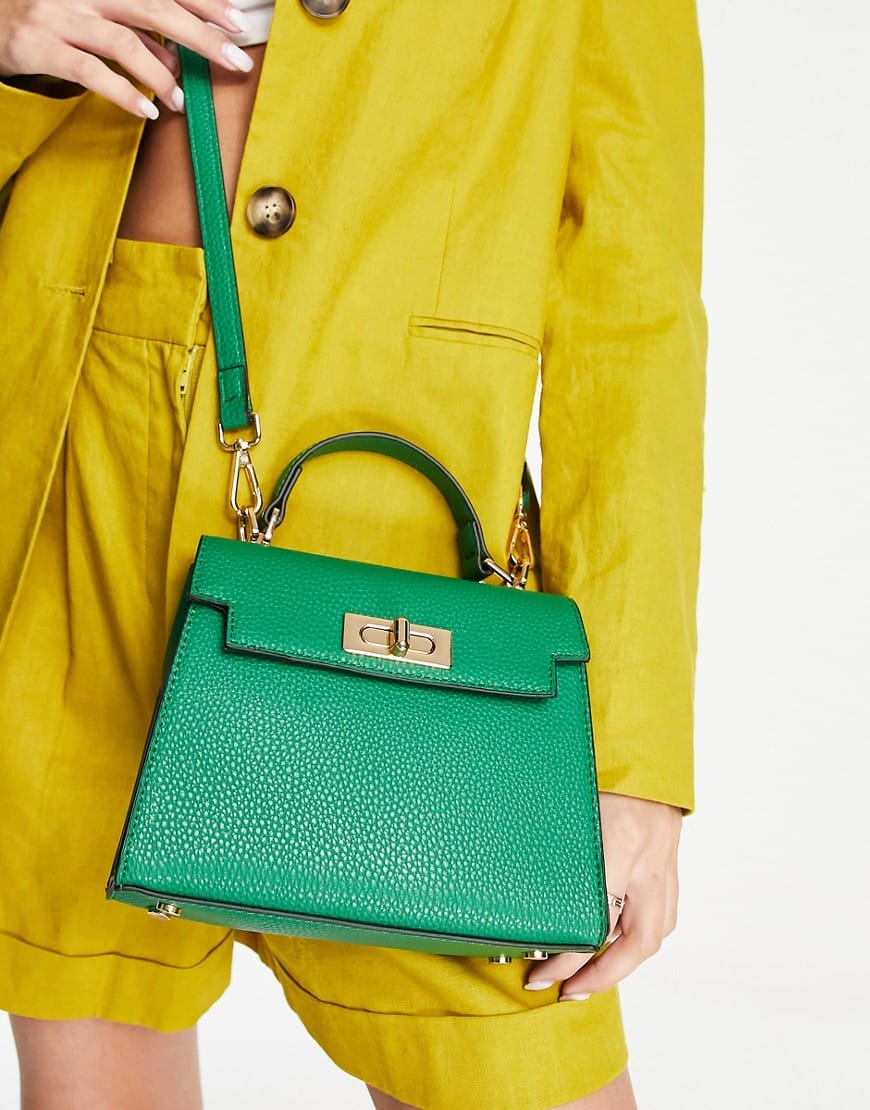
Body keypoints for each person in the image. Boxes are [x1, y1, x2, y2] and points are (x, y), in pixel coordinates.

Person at [0, 1, 706, 1107]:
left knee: (518, 1055)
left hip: (408, 540)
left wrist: (635, 758)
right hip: (76, 440)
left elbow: (634, 317)